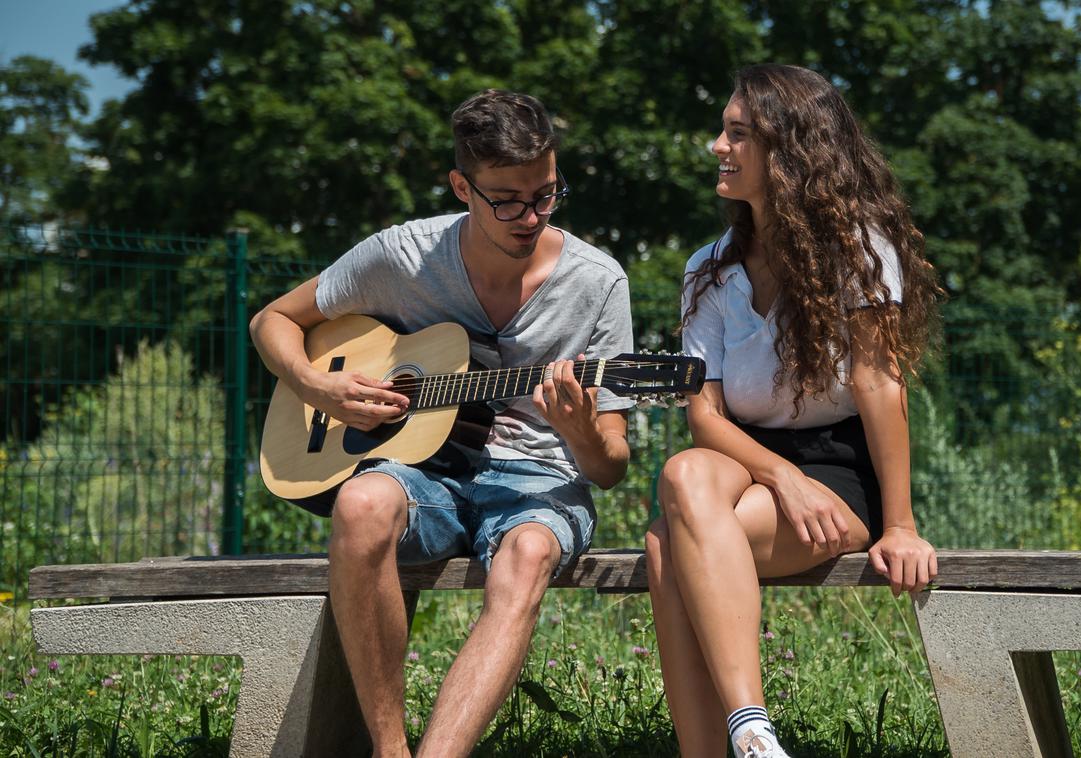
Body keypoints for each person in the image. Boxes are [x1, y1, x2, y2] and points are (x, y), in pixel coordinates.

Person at [250, 89, 634, 758]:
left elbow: (611, 467)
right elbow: (271, 321)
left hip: (539, 479)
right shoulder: (403, 256)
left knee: (529, 554)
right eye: (506, 200)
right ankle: (389, 748)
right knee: (362, 501)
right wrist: (320, 385)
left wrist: (580, 432)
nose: (530, 216)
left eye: (545, 194)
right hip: (424, 472)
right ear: (462, 186)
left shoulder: (598, 283)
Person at [645, 64, 942, 758]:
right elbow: (706, 415)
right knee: (687, 473)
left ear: (791, 151)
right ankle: (751, 727)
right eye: (724, 130)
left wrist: (899, 525)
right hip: (743, 467)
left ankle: (718, 747)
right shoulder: (708, 267)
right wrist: (782, 477)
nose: (717, 146)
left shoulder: (860, 247)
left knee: (668, 544)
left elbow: (878, 382)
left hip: (839, 471)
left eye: (738, 133)